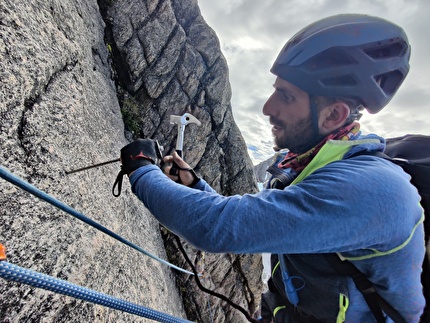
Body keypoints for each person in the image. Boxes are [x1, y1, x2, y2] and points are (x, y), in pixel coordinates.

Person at [119, 14, 425, 322]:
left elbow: (215, 227)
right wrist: (195, 185)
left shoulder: (371, 191)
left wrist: (141, 169)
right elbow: (259, 222)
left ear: (334, 115)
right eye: (276, 89)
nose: (268, 108)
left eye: (286, 96)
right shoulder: (300, 162)